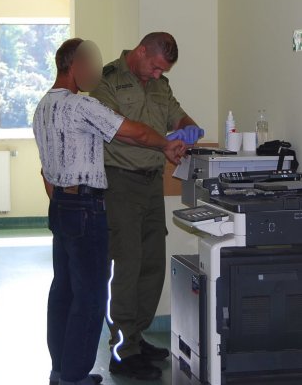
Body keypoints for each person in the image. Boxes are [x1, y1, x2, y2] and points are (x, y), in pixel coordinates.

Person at [33, 38, 186, 385]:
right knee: (90, 298)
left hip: (61, 204)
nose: (95, 73)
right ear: (75, 68)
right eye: (91, 66)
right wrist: (164, 142)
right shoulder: (82, 106)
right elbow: (133, 133)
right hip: (87, 206)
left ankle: (61, 371)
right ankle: (75, 376)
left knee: (64, 292)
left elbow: (44, 169)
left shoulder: (43, 106)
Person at [91, 32, 204, 380]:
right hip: (120, 183)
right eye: (155, 67)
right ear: (140, 52)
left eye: (162, 70)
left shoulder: (160, 85)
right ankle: (122, 351)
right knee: (126, 267)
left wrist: (188, 129)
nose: (157, 75)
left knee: (152, 265)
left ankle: (136, 339)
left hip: (152, 182)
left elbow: (177, 116)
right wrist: (165, 144)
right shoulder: (106, 81)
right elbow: (123, 131)